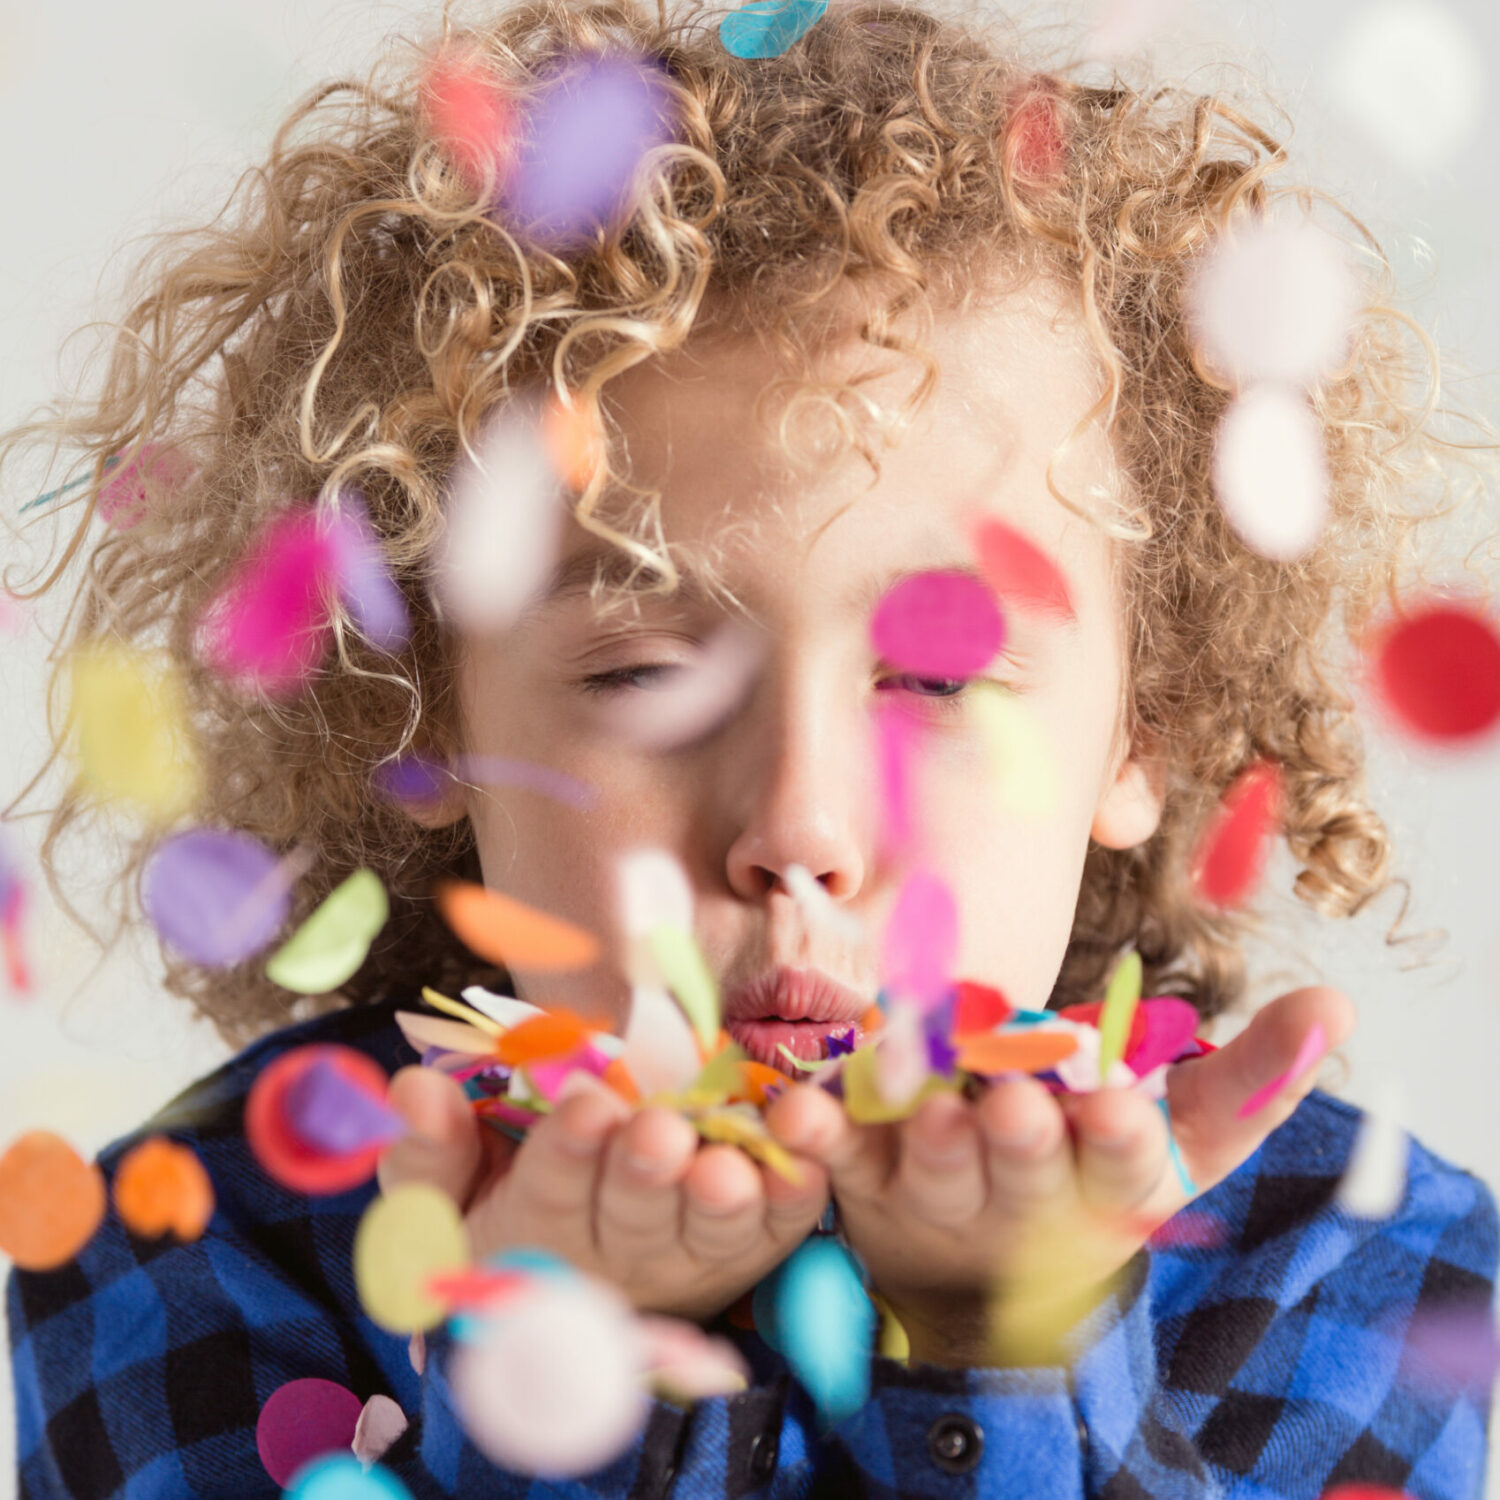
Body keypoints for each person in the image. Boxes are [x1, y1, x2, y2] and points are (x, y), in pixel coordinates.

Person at [4, 0, 1497, 1495]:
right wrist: (567, 1380)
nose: (797, 824)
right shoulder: (182, 1249)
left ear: (1141, 738)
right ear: (435, 715)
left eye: (931, 676)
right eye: (648, 672)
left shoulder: (1368, 1271)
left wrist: (998, 1347)